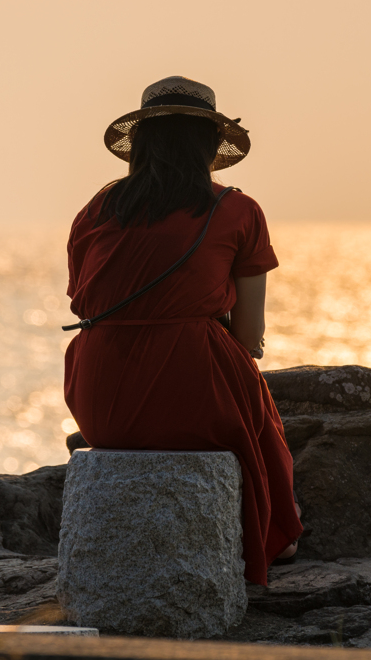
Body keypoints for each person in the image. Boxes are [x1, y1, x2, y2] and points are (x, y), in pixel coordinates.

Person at [62, 76, 303, 586]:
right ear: (211, 146)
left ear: (141, 145)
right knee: (252, 400)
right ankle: (278, 538)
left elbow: (84, 298)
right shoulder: (237, 210)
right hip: (188, 383)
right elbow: (249, 334)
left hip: (100, 398)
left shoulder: (94, 211)